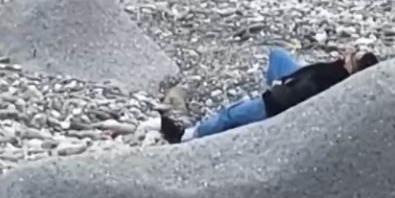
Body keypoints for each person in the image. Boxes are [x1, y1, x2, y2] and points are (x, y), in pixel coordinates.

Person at [159, 47, 380, 143]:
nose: (346, 55)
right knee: (278, 55)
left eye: (351, 58)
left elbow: (293, 98)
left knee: (230, 115)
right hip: (294, 80)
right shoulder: (338, 71)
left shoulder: (331, 82)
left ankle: (186, 136)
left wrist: (279, 87)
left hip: (277, 103)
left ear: (353, 71)